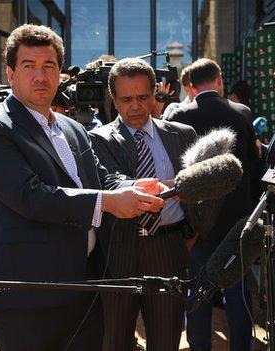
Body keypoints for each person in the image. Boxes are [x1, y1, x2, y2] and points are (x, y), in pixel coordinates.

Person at [0, 24, 165, 351]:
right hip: (26, 297)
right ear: (10, 73)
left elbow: (99, 178)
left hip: (85, 289)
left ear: (61, 73)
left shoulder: (73, 128)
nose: (40, 77)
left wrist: (137, 187)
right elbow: (30, 196)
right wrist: (109, 202)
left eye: (49, 67)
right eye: (29, 66)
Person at [89, 58, 198, 351]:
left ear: (155, 95)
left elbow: (201, 192)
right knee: (114, 340)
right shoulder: (98, 139)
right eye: (126, 99)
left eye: (142, 97)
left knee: (165, 339)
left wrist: (192, 234)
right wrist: (164, 188)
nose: (135, 106)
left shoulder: (182, 135)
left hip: (169, 249)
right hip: (118, 252)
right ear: (113, 99)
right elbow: (110, 183)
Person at [167, 58, 258, 351]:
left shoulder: (179, 114)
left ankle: (199, 348)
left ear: (191, 86)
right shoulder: (242, 113)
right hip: (236, 222)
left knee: (197, 295)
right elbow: (254, 168)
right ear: (219, 80)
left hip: (197, 225)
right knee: (237, 294)